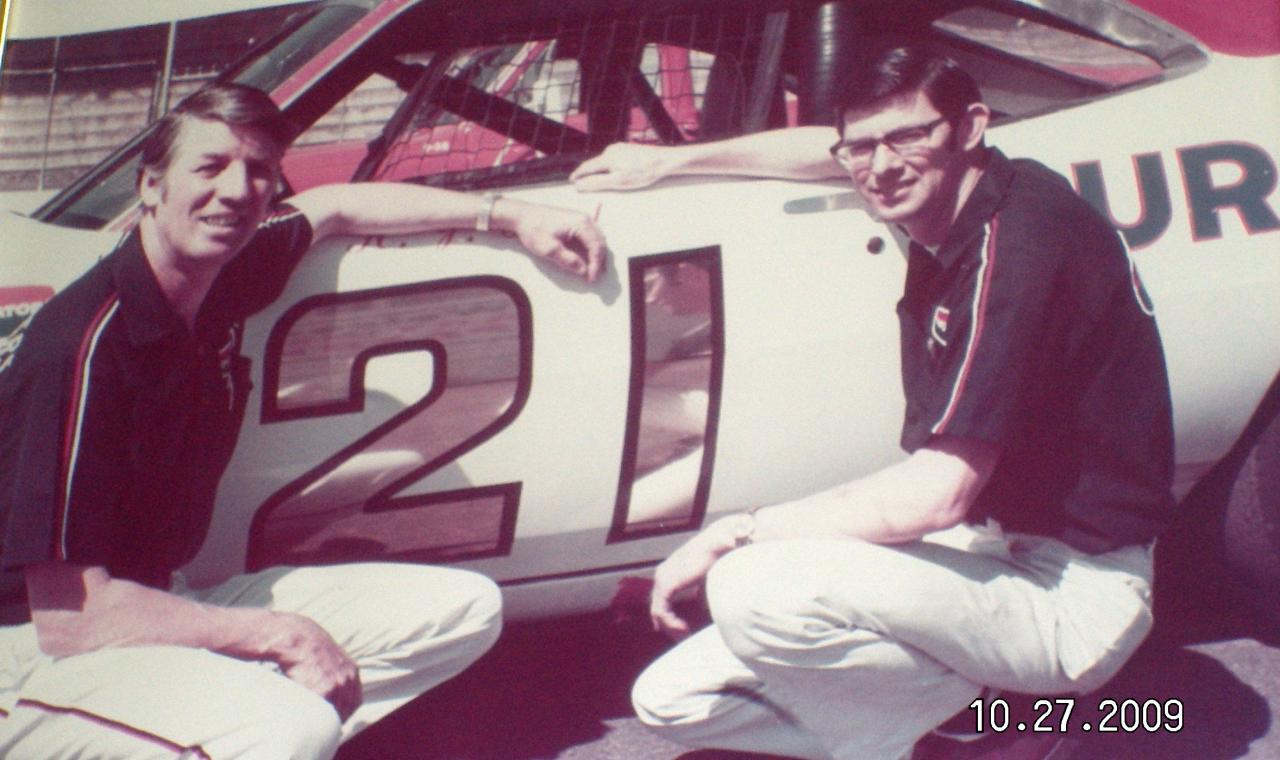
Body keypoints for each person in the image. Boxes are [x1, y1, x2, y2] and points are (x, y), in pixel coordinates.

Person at [572, 44, 1173, 759]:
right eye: (862, 146)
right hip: (987, 549)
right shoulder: (964, 186)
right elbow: (826, 151)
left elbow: (938, 494)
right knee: (671, 700)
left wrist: (731, 533)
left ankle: (995, 721)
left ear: (969, 127)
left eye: (906, 137)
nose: (880, 166)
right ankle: (932, 730)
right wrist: (669, 162)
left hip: (1073, 589)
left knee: (751, 584)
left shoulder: (1016, 249)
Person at [0, 83, 605, 759]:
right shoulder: (80, 349)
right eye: (210, 167)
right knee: (292, 727)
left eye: (259, 171)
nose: (237, 191)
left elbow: (336, 206)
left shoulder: (221, 271)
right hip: (36, 648)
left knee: (466, 609)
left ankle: (216, 728)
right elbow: (71, 619)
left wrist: (511, 214)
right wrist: (280, 636)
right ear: (150, 186)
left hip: (158, 599)